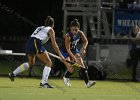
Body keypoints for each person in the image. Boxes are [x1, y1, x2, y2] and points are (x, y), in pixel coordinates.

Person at [8, 16, 65, 88]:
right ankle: (44, 83)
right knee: (49, 62)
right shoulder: (51, 30)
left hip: (29, 42)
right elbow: (54, 45)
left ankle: (13, 74)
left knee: (31, 63)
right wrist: (61, 56)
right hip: (36, 42)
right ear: (53, 25)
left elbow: (37, 38)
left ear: (45, 23)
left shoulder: (40, 27)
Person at [60, 19, 96, 88]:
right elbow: (67, 49)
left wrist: (84, 48)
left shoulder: (80, 33)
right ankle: (65, 77)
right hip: (65, 51)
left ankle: (87, 83)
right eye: (73, 30)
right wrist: (73, 58)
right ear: (70, 29)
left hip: (73, 49)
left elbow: (86, 41)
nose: (74, 32)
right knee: (71, 69)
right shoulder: (68, 36)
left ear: (78, 29)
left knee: (82, 64)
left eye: (76, 30)